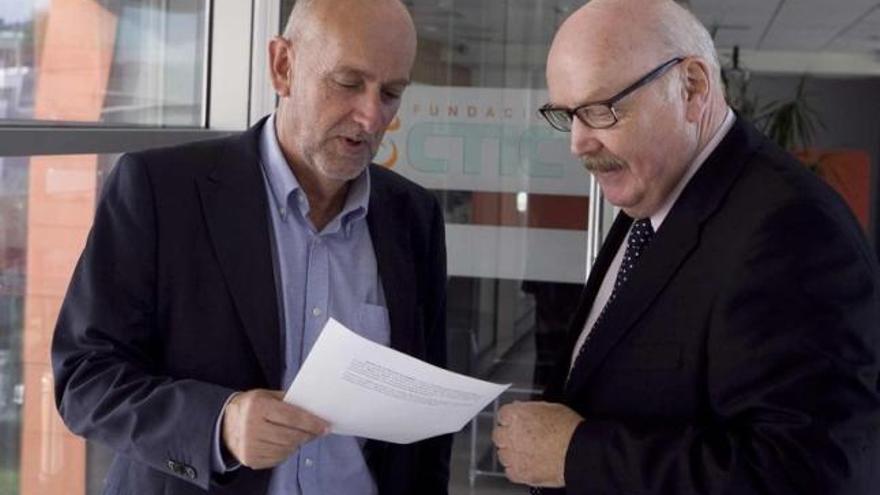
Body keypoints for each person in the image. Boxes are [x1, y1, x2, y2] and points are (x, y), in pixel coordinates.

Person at [51, 0, 451, 494]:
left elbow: (425, 430)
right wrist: (218, 423)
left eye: (391, 93)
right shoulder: (162, 191)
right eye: (348, 83)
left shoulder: (413, 217)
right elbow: (84, 381)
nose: (372, 117)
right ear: (282, 66)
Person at [491, 0, 880, 494]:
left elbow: (805, 475)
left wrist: (576, 454)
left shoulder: (793, 230)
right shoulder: (652, 193)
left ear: (691, 87)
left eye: (599, 110)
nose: (578, 142)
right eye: (567, 115)